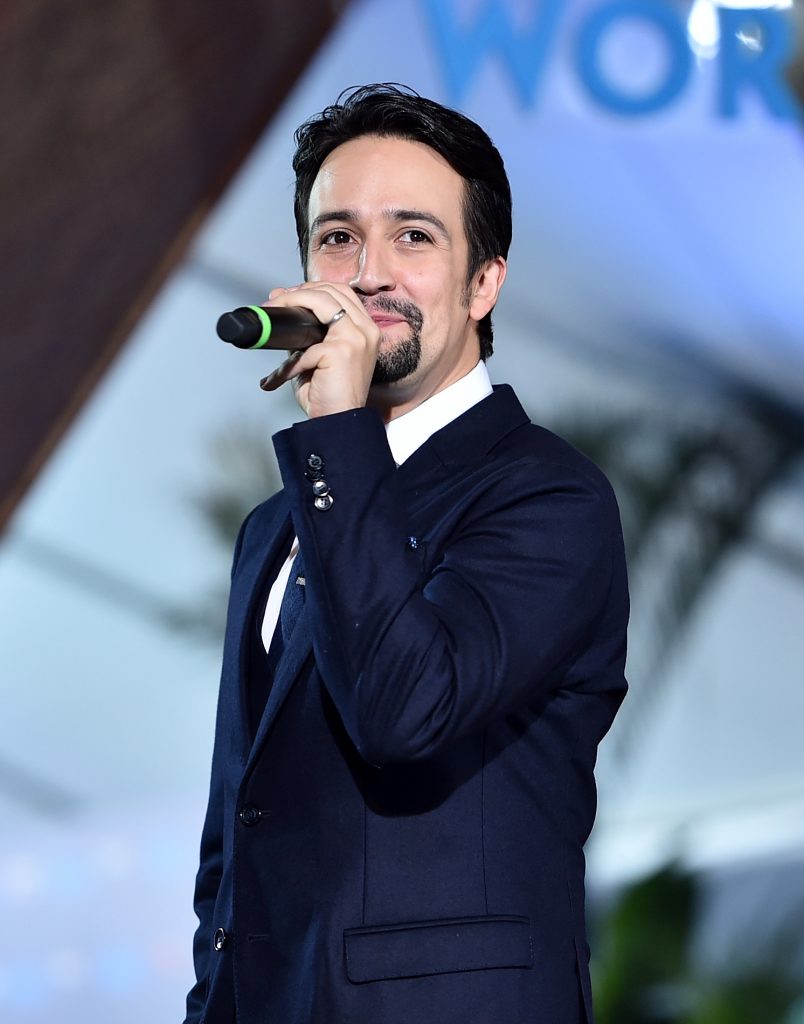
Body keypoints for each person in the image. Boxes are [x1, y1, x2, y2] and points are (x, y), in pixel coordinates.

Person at [184, 84, 628, 1024]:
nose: (369, 272)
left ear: (484, 284)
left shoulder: (549, 497)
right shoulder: (278, 523)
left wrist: (339, 429)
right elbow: (236, 830)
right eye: (337, 236)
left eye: (414, 237)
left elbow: (404, 709)